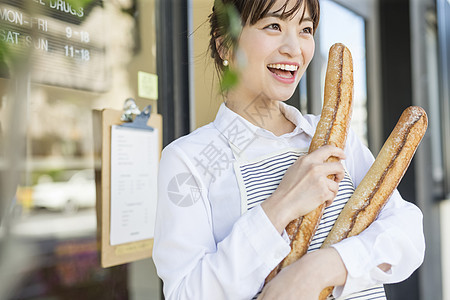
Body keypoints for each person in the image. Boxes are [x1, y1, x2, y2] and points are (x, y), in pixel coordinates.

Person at [153, 0, 425, 299]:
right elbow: (187, 293)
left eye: (305, 29)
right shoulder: (191, 160)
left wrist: (318, 269)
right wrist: (282, 204)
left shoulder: (335, 135)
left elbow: (407, 235)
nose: (294, 49)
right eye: (274, 26)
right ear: (224, 45)